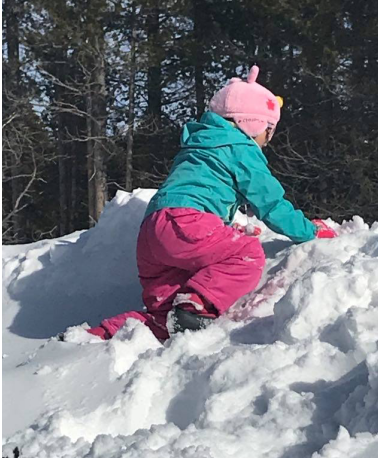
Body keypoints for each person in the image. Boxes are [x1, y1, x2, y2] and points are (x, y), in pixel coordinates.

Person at [79, 66, 337, 341]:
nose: (268, 140)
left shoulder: (198, 145)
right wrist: (309, 231)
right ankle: (193, 308)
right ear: (253, 123)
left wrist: (224, 230)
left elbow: (203, 195)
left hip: (153, 233)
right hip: (187, 223)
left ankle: (94, 339)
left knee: (162, 318)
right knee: (247, 253)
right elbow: (271, 203)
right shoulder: (240, 148)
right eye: (269, 130)